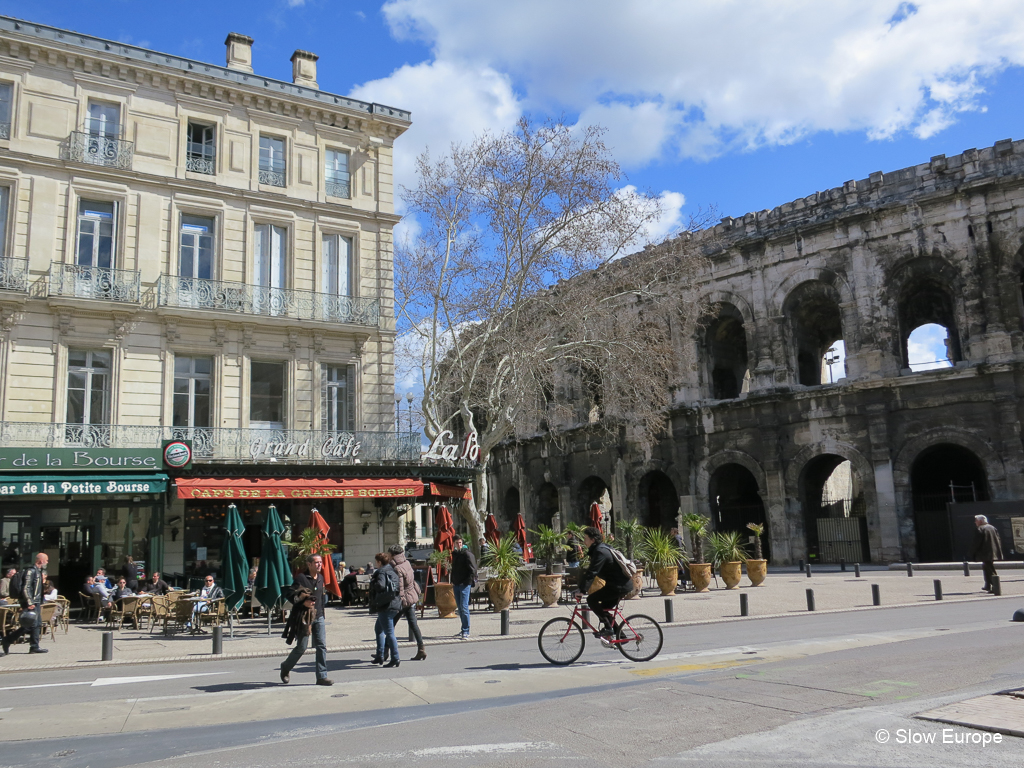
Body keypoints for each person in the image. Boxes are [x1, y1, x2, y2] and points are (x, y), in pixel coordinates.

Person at [279, 554, 332, 686]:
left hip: (318, 616)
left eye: (320, 562)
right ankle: (286, 667)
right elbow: (290, 595)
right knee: (301, 647)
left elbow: (320, 597)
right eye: (316, 563)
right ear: (309, 564)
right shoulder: (301, 578)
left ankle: (322, 676)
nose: (319, 565)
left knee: (321, 646)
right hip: (305, 617)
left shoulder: (320, 577)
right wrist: (303, 602)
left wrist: (322, 613)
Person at [576, 527, 633, 642]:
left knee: (591, 600)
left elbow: (592, 572)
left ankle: (608, 628)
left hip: (618, 586)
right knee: (603, 609)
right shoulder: (601, 548)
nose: (584, 541)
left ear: (592, 539)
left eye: (585, 538)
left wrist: (582, 591)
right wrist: (581, 588)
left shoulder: (600, 552)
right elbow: (590, 572)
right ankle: (620, 636)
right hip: (618, 584)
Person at [2, 552, 49, 655]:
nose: (47, 562)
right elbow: (26, 587)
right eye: (46, 560)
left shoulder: (38, 571)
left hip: (36, 601)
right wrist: (29, 602)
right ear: (40, 560)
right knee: (29, 624)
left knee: (36, 624)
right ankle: (8, 640)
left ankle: (34, 646)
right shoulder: (31, 571)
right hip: (30, 601)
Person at [388, 543, 426, 661]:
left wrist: (401, 600)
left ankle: (384, 652)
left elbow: (399, 587)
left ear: (393, 555)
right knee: (413, 624)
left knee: (390, 625)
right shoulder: (406, 562)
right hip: (411, 596)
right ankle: (421, 649)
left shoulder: (396, 567)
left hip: (403, 599)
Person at [369, 551, 402, 667]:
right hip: (395, 604)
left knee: (389, 633)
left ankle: (395, 658)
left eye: (376, 561)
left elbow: (381, 586)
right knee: (379, 629)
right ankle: (380, 655)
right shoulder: (392, 571)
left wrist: (373, 584)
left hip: (386, 605)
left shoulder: (382, 572)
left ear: (379, 562)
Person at [450, 534, 477, 640]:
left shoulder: (467, 554)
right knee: (460, 608)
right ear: (454, 544)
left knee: (464, 607)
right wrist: (453, 580)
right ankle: (463, 629)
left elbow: (473, 569)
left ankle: (466, 630)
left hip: (464, 584)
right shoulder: (455, 554)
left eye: (460, 542)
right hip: (456, 584)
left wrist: (467, 582)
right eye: (457, 543)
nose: (459, 544)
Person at [970, 514, 1004, 592]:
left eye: (976, 521)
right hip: (993, 551)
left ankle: (995, 587)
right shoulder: (992, 527)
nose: (975, 522)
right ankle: (987, 585)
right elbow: (998, 539)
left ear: (980, 521)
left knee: (990, 569)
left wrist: (972, 552)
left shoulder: (980, 529)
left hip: (985, 552)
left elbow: (976, 542)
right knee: (986, 567)